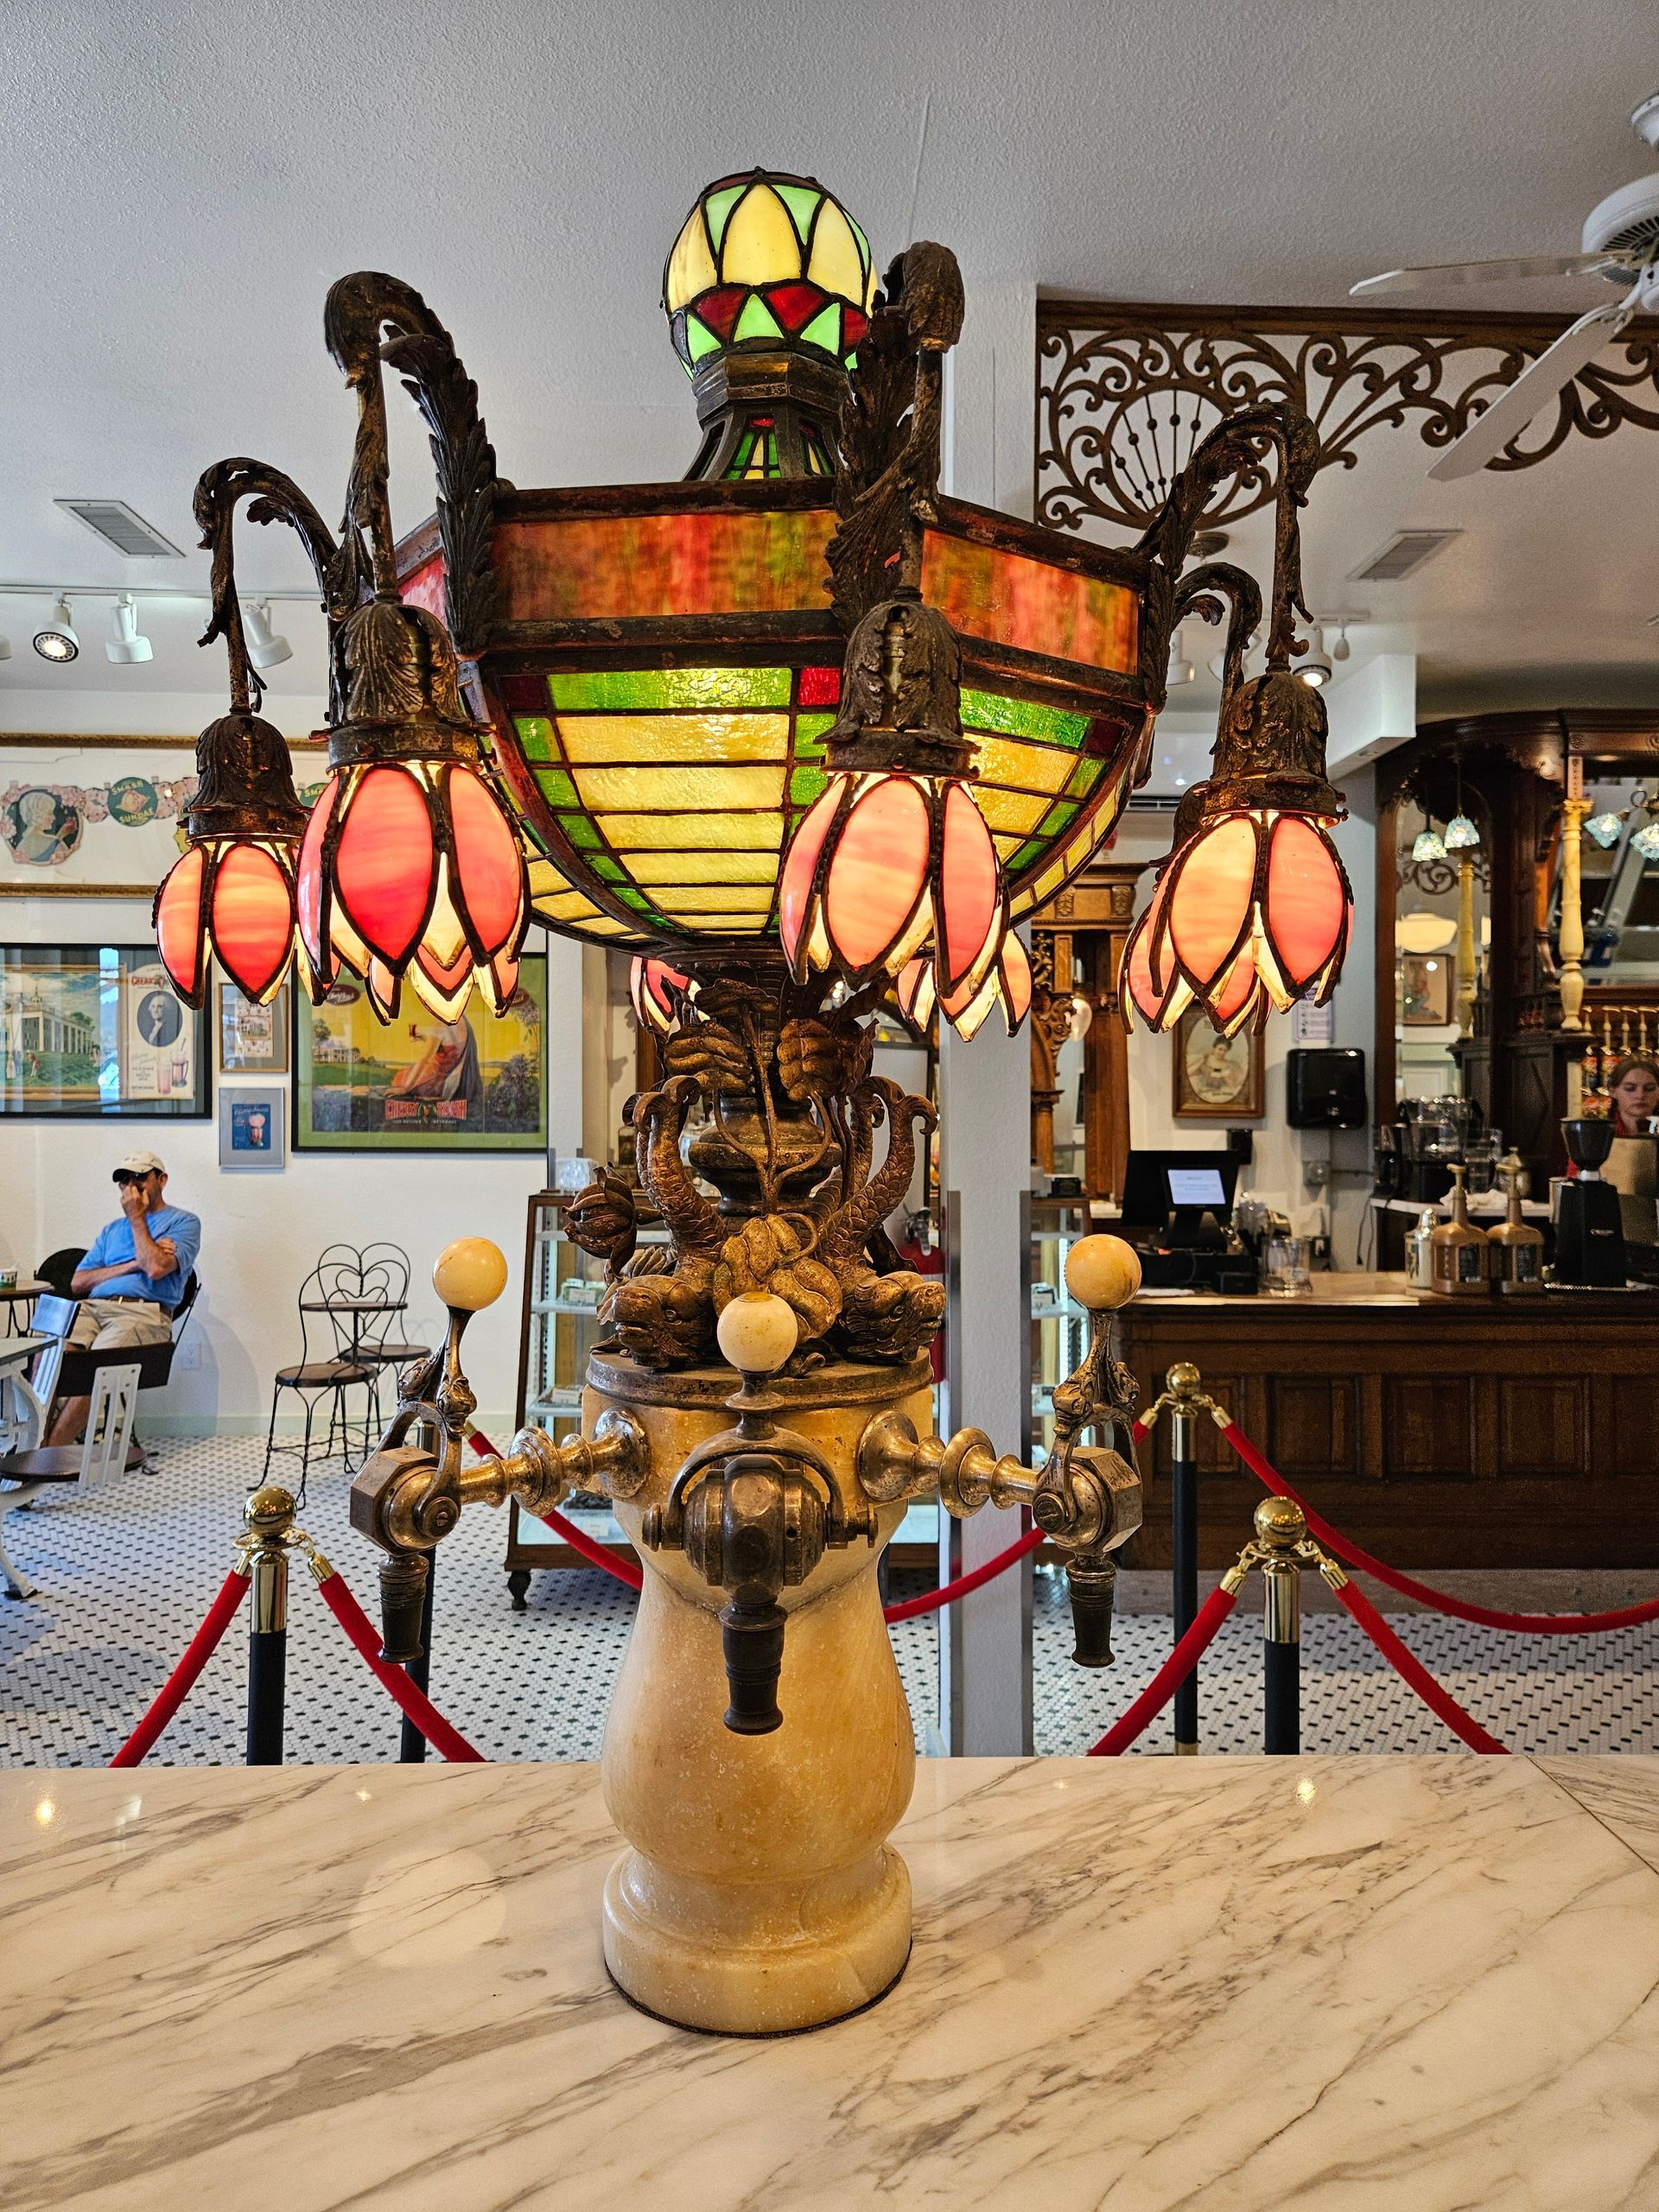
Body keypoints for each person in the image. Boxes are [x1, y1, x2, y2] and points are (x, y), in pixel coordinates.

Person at [43, 1150, 200, 1456]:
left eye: (140, 1177)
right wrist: (133, 1264)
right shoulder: (112, 1230)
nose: (132, 1185)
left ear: (162, 1180)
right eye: (124, 1179)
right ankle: (36, 1451)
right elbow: (78, 1282)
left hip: (142, 1312)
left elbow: (155, 1268)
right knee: (50, 1360)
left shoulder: (184, 1222)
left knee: (95, 1368)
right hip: (91, 1308)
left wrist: (137, 1219)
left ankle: (45, 1459)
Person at [1603, 1054, 1659, 1137]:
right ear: (1613, 1092)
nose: (1640, 1095)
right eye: (1630, 1089)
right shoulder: (1600, 1134)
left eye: (1649, 1088)